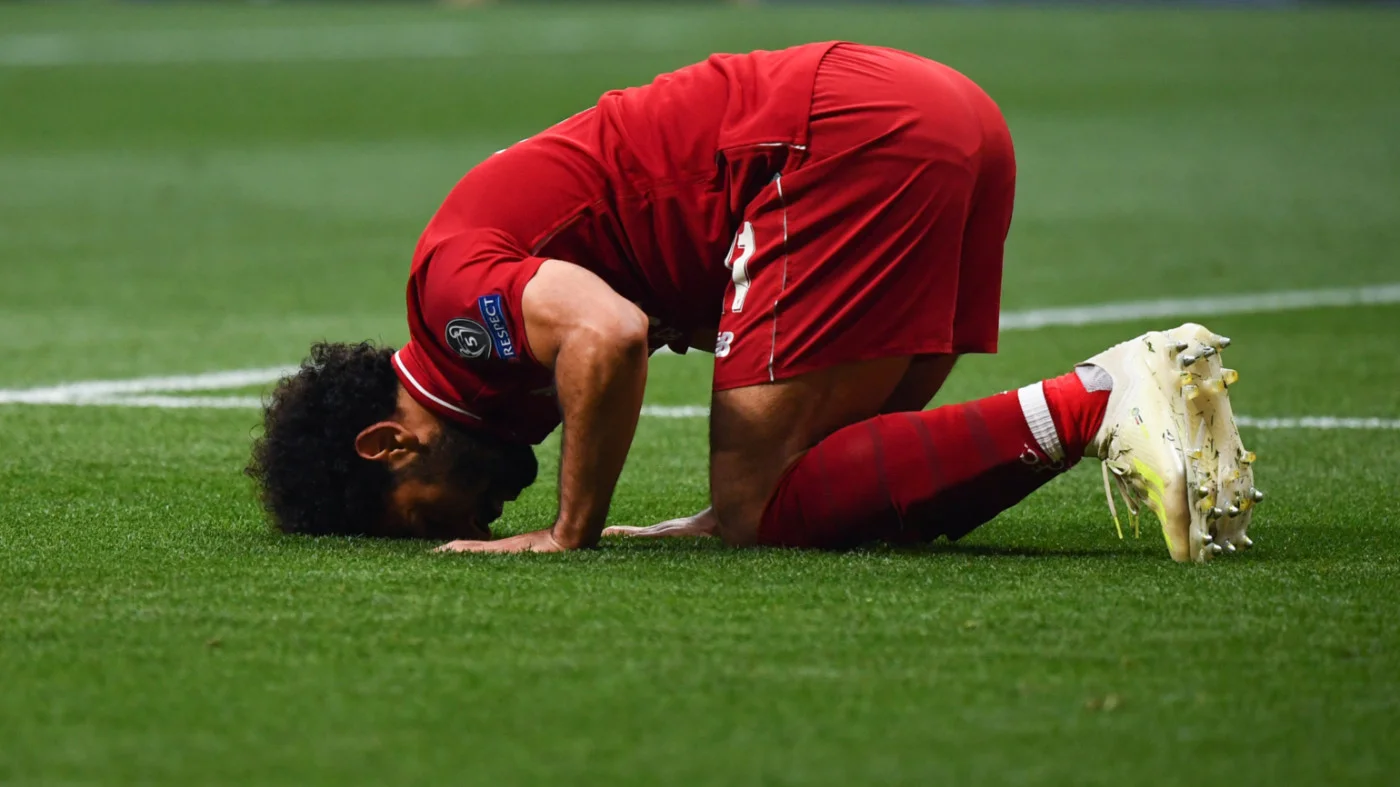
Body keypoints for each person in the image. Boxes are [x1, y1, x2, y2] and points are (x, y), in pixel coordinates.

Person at [246, 42, 1262, 563]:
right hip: (933, 112)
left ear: (389, 443)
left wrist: (570, 531)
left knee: (759, 509)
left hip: (833, 141)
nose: (468, 522)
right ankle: (1147, 413)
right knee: (826, 499)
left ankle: (1104, 395)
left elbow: (607, 335)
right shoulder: (488, 352)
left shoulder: (450, 303)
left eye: (425, 523)